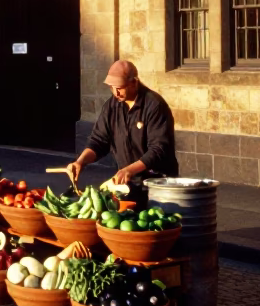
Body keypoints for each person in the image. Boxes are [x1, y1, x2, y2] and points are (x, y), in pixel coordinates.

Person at [65, 60, 178, 204]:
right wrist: (80, 162)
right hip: (127, 185)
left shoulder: (154, 105)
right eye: (112, 88)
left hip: (157, 184)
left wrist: (129, 170)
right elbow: (99, 141)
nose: (116, 92)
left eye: (120, 88)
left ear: (134, 82)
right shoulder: (111, 106)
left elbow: (158, 149)